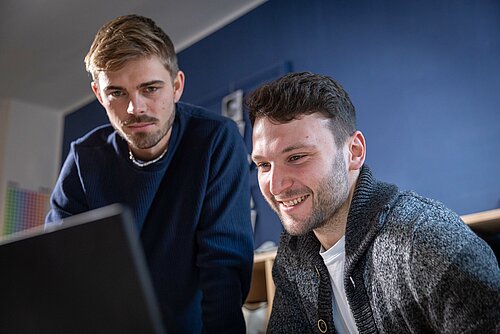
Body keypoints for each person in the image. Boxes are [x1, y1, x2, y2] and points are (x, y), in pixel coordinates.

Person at [45, 14, 254, 333]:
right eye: (117, 93)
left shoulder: (215, 141)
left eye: (150, 88)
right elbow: (60, 271)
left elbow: (223, 271)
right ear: (100, 95)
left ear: (177, 86)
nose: (135, 108)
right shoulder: (83, 160)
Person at [247, 72, 500, 333]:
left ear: (354, 152)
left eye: (297, 157)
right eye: (263, 165)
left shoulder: (425, 239)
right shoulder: (294, 253)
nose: (275, 186)